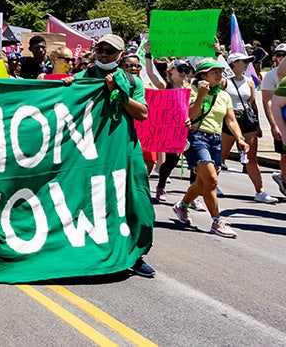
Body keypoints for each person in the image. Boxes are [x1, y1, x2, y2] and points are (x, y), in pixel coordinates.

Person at [69, 34, 155, 276]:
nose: (104, 54)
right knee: (90, 199)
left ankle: (136, 255)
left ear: (120, 55)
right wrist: (65, 85)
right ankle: (88, 252)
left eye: (110, 51)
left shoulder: (131, 81)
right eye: (101, 49)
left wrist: (118, 90)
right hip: (89, 150)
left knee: (135, 199)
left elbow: (142, 114)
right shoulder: (84, 77)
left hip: (123, 147)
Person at [171, 59, 250, 238]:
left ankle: (182, 206)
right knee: (212, 181)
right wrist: (200, 95)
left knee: (202, 182)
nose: (219, 74)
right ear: (203, 76)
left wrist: (240, 138)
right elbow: (190, 115)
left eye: (220, 72)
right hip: (197, 137)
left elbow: (230, 119)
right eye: (214, 72)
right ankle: (217, 221)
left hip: (215, 139)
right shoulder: (191, 91)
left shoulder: (224, 95)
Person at [220, 52, 277, 203]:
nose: (246, 64)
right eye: (243, 61)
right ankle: (211, 183)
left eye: (247, 61)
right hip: (229, 118)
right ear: (233, 64)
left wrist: (257, 123)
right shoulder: (224, 82)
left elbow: (252, 103)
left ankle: (260, 191)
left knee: (252, 157)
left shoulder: (249, 81)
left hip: (246, 119)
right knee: (221, 155)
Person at [145, 57, 195, 203]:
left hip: (185, 129)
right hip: (168, 129)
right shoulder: (165, 86)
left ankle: (193, 194)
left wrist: (216, 53)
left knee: (184, 162)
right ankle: (161, 185)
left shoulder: (189, 88)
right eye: (180, 69)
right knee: (170, 160)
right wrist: (148, 55)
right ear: (170, 70)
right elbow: (150, 73)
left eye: (186, 70)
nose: (183, 73)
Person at [259, 43, 286, 198]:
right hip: (282, 120)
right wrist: (274, 125)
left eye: (284, 54)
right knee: (284, 155)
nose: (280, 57)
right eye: (279, 55)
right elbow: (268, 102)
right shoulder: (272, 75)